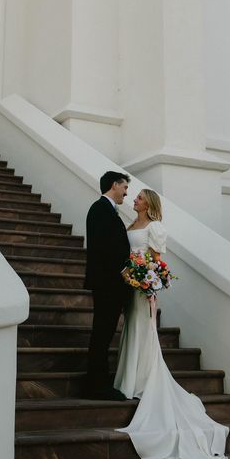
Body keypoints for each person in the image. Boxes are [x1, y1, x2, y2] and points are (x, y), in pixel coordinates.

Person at [114, 188, 229, 459]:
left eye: (140, 197)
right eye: (135, 197)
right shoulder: (131, 223)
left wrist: (146, 279)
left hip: (142, 286)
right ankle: (128, 377)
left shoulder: (155, 227)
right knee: (132, 327)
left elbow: (155, 259)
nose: (135, 200)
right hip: (129, 286)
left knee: (145, 327)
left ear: (149, 203)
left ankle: (142, 379)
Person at [83, 171, 132, 400]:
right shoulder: (100, 209)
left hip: (109, 283)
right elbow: (103, 246)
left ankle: (98, 382)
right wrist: (122, 270)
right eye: (124, 187)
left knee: (104, 332)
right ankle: (96, 385)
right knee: (102, 333)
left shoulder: (107, 209)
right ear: (114, 185)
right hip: (106, 283)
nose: (126, 192)